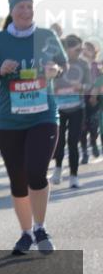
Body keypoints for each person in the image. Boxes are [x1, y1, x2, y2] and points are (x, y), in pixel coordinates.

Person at [0, 0, 67, 256]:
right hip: (9, 120)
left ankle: (40, 227)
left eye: (29, 6)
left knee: (36, 172)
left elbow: (63, 65)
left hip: (43, 115)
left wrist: (55, 70)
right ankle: (25, 233)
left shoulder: (47, 37)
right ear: (12, 11)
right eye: (21, 7)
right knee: (18, 180)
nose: (26, 11)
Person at [51, 34, 91, 189]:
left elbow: (89, 85)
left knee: (73, 142)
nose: (80, 52)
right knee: (59, 142)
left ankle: (74, 176)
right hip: (58, 108)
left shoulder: (83, 65)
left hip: (77, 109)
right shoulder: (56, 64)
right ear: (66, 49)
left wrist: (80, 87)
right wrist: (54, 87)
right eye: (77, 49)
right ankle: (58, 169)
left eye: (81, 49)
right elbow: (48, 83)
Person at [82, 41, 101, 162]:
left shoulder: (98, 65)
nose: (86, 51)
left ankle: (93, 142)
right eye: (85, 49)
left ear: (94, 51)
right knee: (82, 126)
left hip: (95, 97)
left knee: (94, 124)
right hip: (81, 97)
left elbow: (100, 80)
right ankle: (84, 152)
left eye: (89, 49)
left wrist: (94, 95)